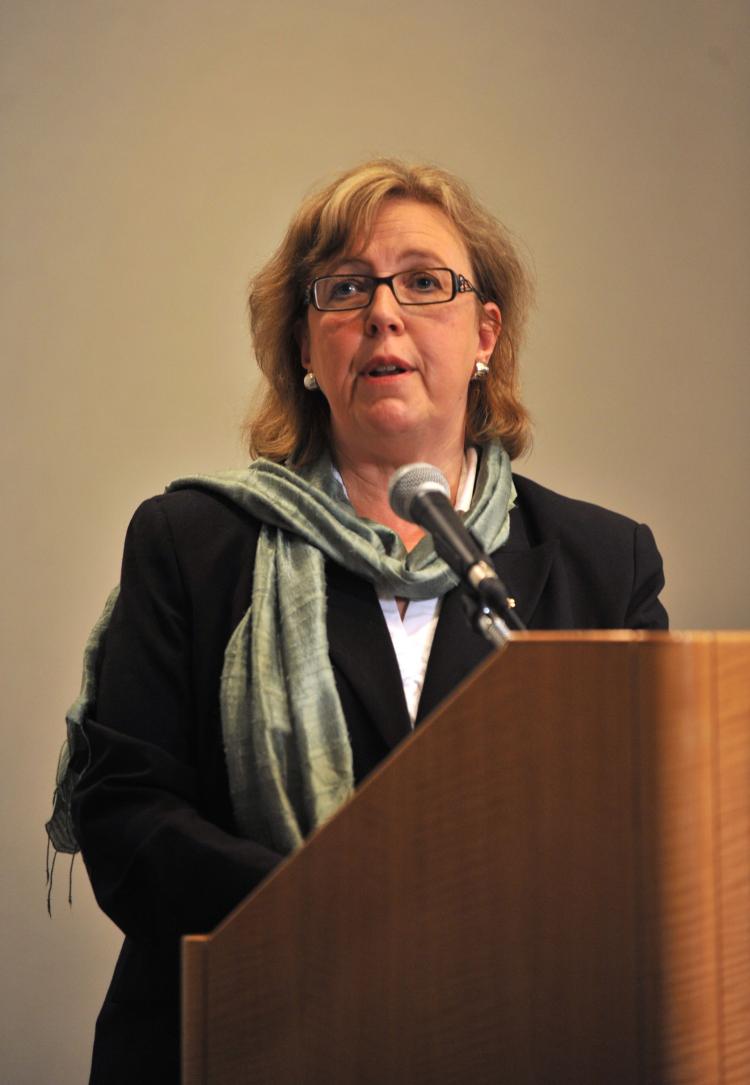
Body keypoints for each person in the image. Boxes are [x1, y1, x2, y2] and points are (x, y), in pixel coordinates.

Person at [47, 159, 667, 1083]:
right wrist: (338, 914)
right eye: (345, 287)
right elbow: (127, 817)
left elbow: (642, 834)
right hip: (238, 1037)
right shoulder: (192, 543)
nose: (384, 312)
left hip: (512, 1038)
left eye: (424, 283)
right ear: (306, 345)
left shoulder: (598, 563)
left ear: (485, 332)